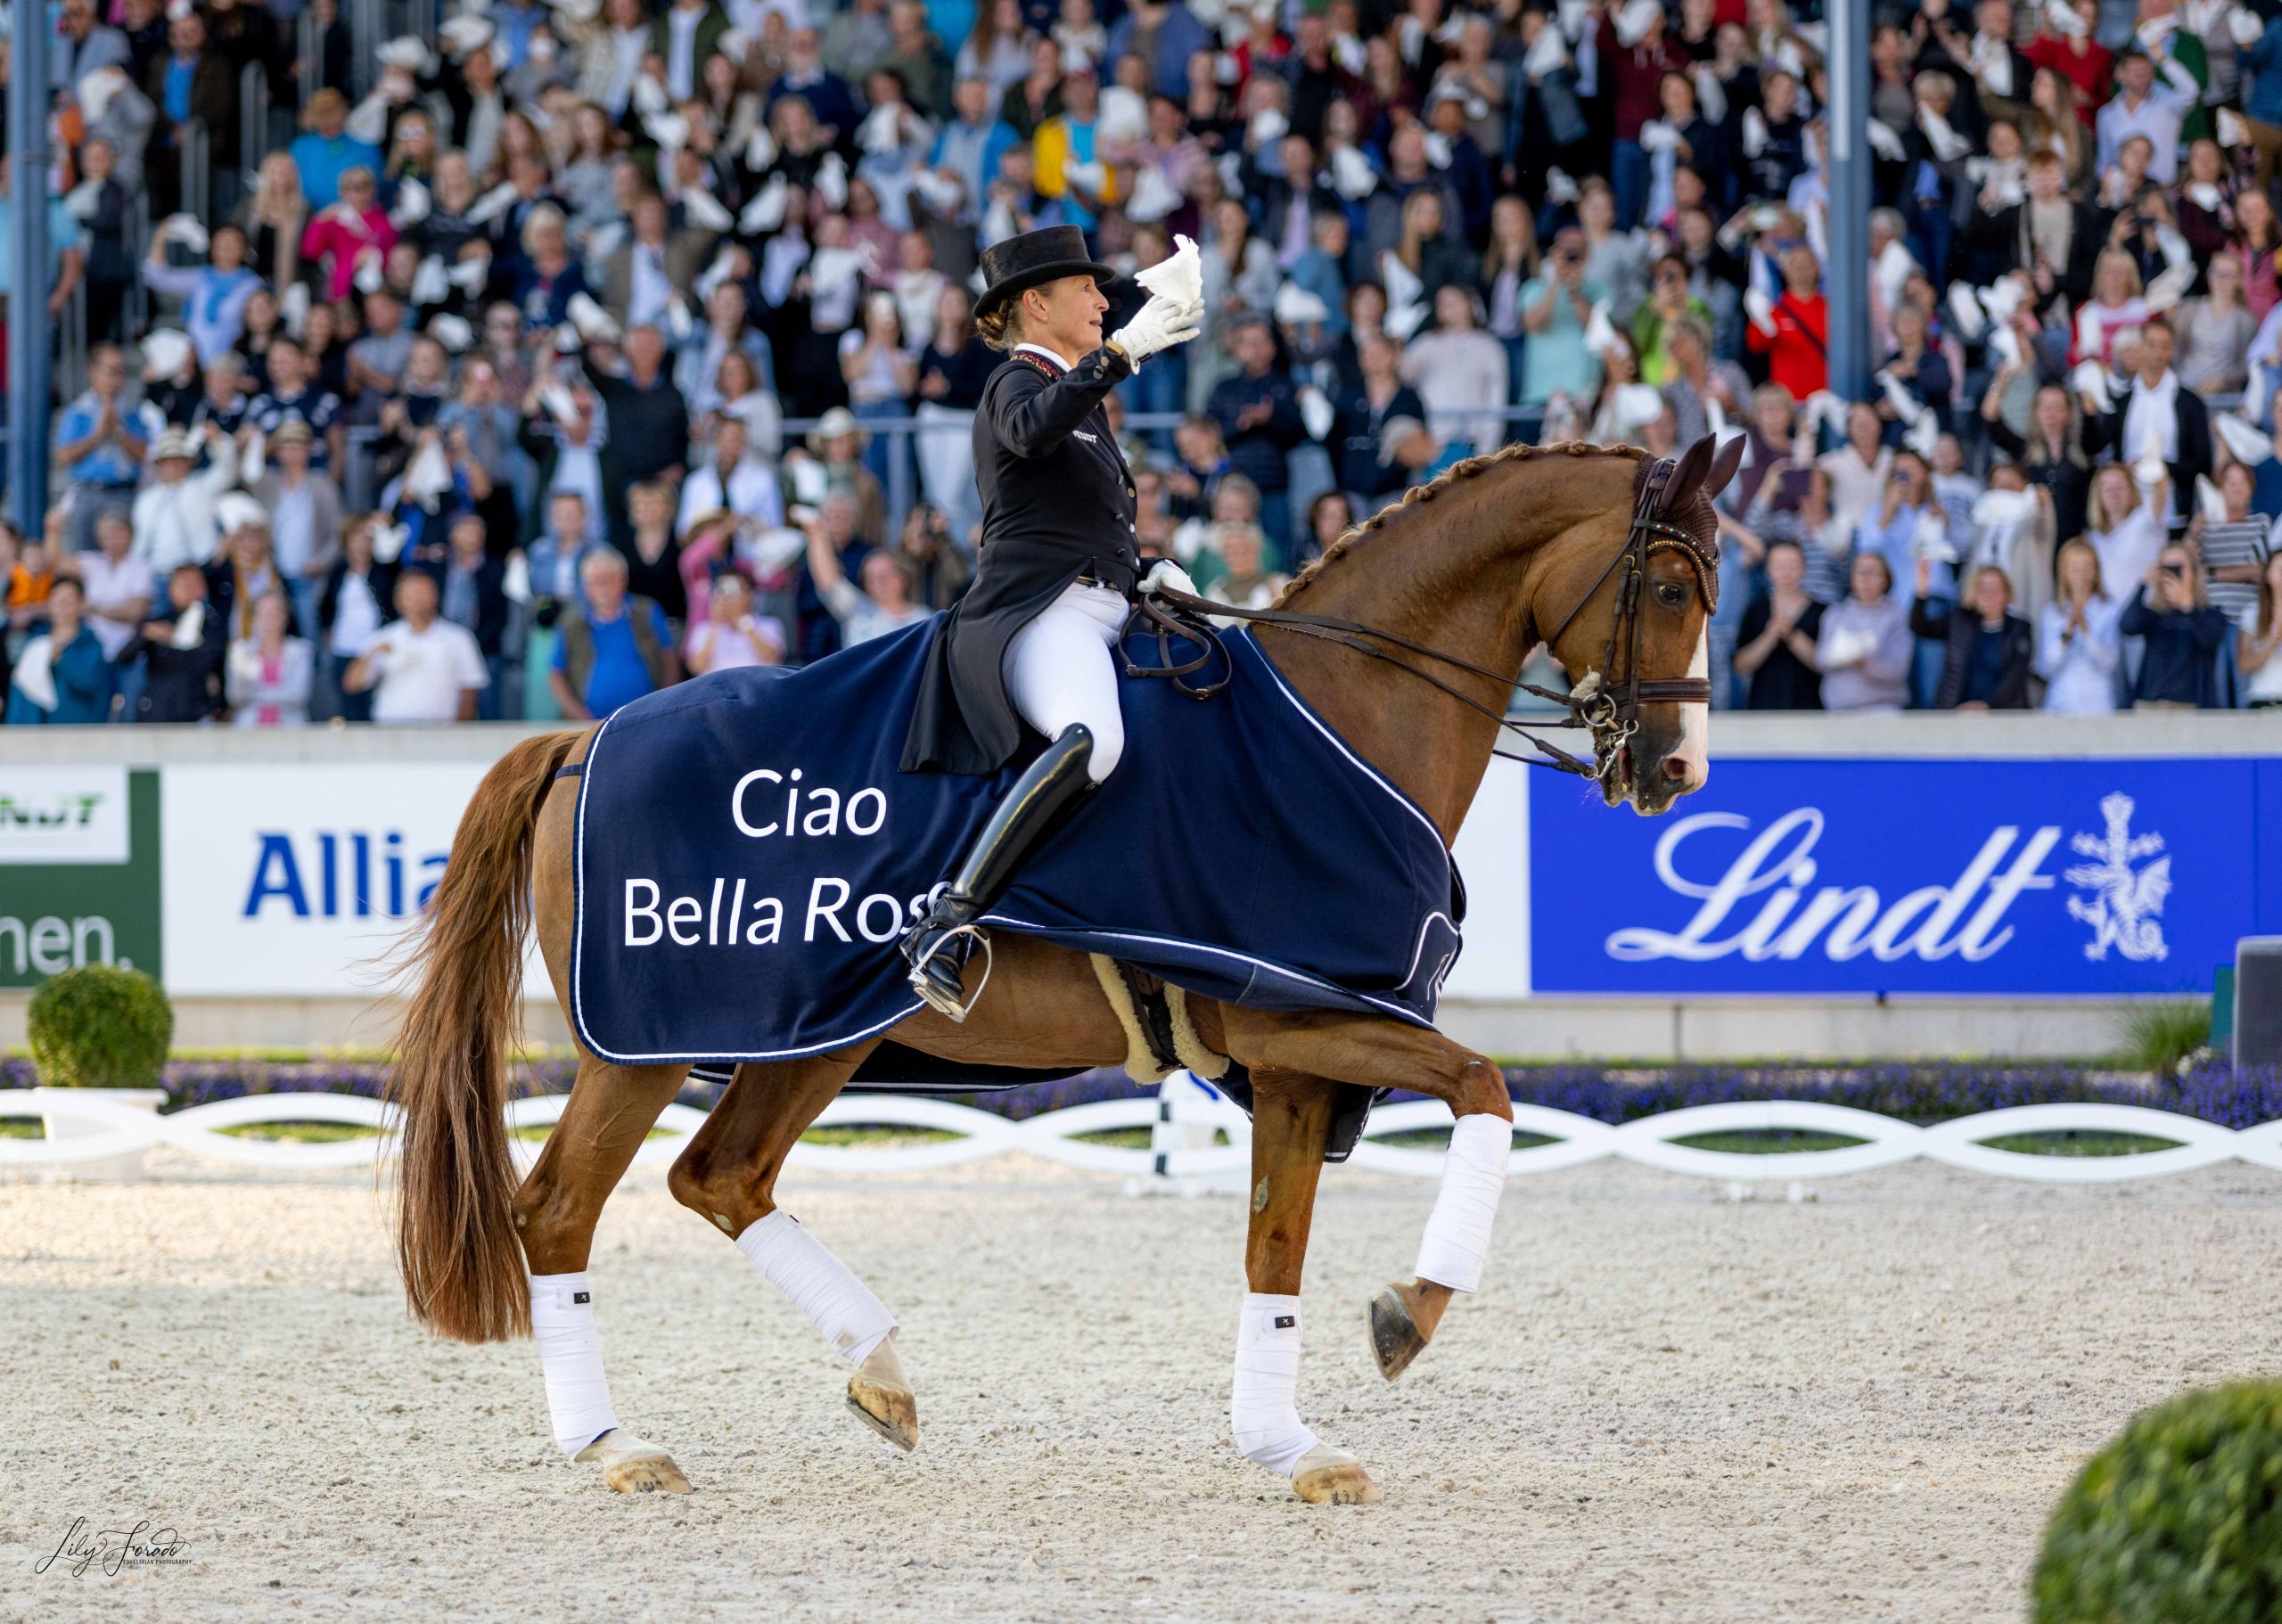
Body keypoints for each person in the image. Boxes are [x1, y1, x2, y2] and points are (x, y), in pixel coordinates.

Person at [898, 223, 1204, 1020]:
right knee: (1095, 742)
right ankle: (948, 918)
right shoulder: (1017, 384)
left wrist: (1145, 573)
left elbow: (1076, 519)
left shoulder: (1080, 399)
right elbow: (1032, 434)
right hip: (1044, 617)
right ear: (1036, 304)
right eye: (1087, 292)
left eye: (1106, 294)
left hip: (1105, 607)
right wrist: (1122, 354)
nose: (1104, 303)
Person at [547, 549, 678, 722]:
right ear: (586, 586)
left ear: (623, 581)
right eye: (596, 580)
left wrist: (662, 706)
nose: (603, 586)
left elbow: (670, 660)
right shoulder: (571, 622)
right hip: (589, 726)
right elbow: (556, 674)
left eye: (609, 579)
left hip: (645, 720)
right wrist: (578, 715)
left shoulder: (647, 611)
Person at [344, 570, 490, 724]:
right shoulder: (384, 637)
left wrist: (458, 731)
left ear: (436, 595)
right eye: (411, 594)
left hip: (441, 732)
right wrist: (371, 654)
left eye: (424, 592)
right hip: (389, 731)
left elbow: (470, 690)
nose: (418, 599)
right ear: (398, 601)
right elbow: (352, 685)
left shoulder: (459, 638)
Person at [1909, 563, 2035, 710]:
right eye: (1983, 589)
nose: (1989, 595)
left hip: (2002, 714)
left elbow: (2015, 675)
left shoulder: (2019, 628)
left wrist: (1985, 705)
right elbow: (1920, 627)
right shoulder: (1959, 620)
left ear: (2007, 593)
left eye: (1995, 589)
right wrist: (1922, 590)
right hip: (1957, 712)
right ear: (1974, 593)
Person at [2120, 544, 2229, 709]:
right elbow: (2127, 626)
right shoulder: (2154, 615)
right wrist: (2144, 583)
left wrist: (2188, 607)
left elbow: (2209, 640)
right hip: (2152, 704)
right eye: (2167, 568)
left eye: (2178, 568)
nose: (2173, 574)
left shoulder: (2210, 614)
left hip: (2194, 708)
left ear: (2193, 572)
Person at [804, 512, 933, 646]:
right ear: (867, 585)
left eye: (887, 574)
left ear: (903, 577)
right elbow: (829, 582)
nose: (882, 582)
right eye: (873, 577)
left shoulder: (925, 619)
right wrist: (818, 534)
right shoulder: (857, 611)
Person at [7, 576, 117, 724]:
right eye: (57, 598)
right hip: (36, 730)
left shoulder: (91, 643)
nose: (62, 604)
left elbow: (90, 682)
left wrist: (60, 659)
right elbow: (21, 688)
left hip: (78, 730)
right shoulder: (36, 642)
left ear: (81, 604)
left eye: (68, 600)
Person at [1815, 552, 1915, 714]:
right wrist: (1840, 656)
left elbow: (1898, 670)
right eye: (1860, 571)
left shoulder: (1897, 617)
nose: (1864, 578)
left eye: (1872, 572)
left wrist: (1866, 664)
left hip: (1883, 708)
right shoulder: (1835, 613)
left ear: (1885, 579)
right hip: (1839, 708)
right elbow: (1821, 659)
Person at [128, 562, 227, 723]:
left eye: (194, 584)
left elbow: (210, 662)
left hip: (197, 711)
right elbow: (124, 657)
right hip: (158, 711)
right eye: (183, 584)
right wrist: (145, 635)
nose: (189, 590)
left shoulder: (212, 625)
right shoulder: (158, 621)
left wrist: (174, 638)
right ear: (170, 589)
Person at [1732, 538, 1825, 709]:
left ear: (1804, 568)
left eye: (1792, 565)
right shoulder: (1755, 611)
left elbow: (1825, 664)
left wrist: (1792, 636)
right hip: (1762, 708)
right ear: (1768, 570)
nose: (1786, 572)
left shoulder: (1822, 611)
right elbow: (1740, 665)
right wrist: (1770, 635)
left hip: (1810, 710)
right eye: (1780, 566)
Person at [2036, 539, 2124, 715]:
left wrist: (2086, 631)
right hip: (2060, 701)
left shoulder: (2109, 611)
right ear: (2064, 572)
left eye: (2087, 568)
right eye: (2075, 569)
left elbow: (2110, 664)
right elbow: (2045, 668)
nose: (2081, 575)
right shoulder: (2051, 613)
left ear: (2096, 571)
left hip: (2098, 702)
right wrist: (2066, 635)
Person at [225, 590, 315, 727]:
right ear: (255, 618)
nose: (270, 619)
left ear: (285, 616)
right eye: (265, 613)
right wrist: (280, 690)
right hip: (249, 729)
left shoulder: (302, 650)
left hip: (291, 729)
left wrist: (256, 693)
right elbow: (235, 695)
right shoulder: (241, 650)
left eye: (275, 613)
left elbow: (298, 695)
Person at [685, 573, 787, 674]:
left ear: (750, 595)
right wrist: (715, 625)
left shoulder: (770, 624)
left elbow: (771, 658)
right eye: (723, 590)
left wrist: (743, 621)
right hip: (717, 688)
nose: (728, 597)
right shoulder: (702, 629)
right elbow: (697, 667)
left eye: (734, 590)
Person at [2237, 552, 2282, 709]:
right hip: (2263, 698)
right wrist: (2272, 641)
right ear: (2268, 574)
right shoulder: (2252, 613)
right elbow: (2244, 665)